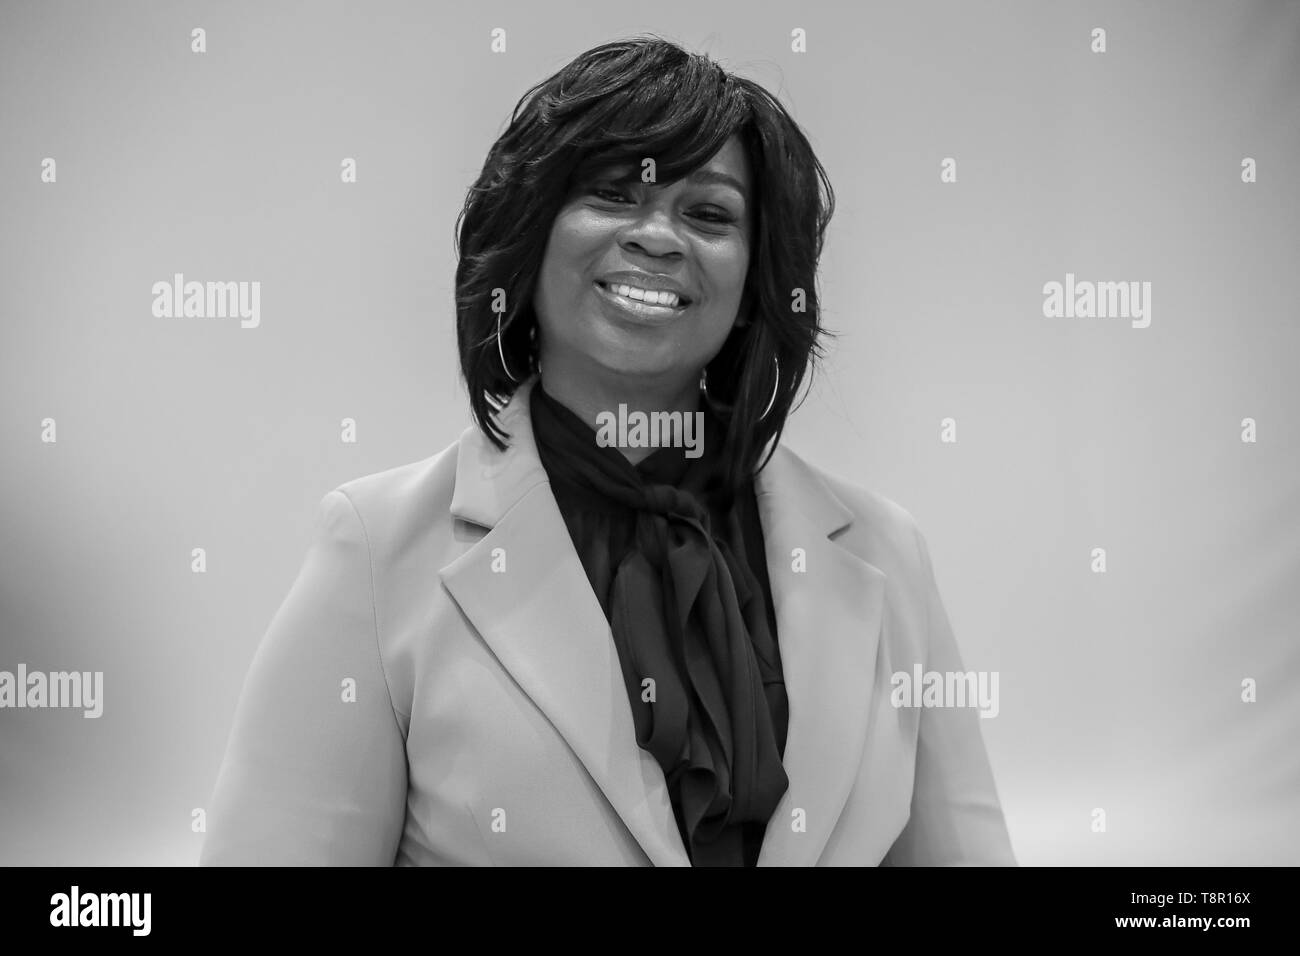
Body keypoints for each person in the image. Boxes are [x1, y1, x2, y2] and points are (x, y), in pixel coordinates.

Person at [199, 35, 1016, 866]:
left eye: (710, 213)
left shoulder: (887, 553)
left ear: (751, 281)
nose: (658, 237)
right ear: (528, 235)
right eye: (613, 194)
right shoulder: (375, 551)